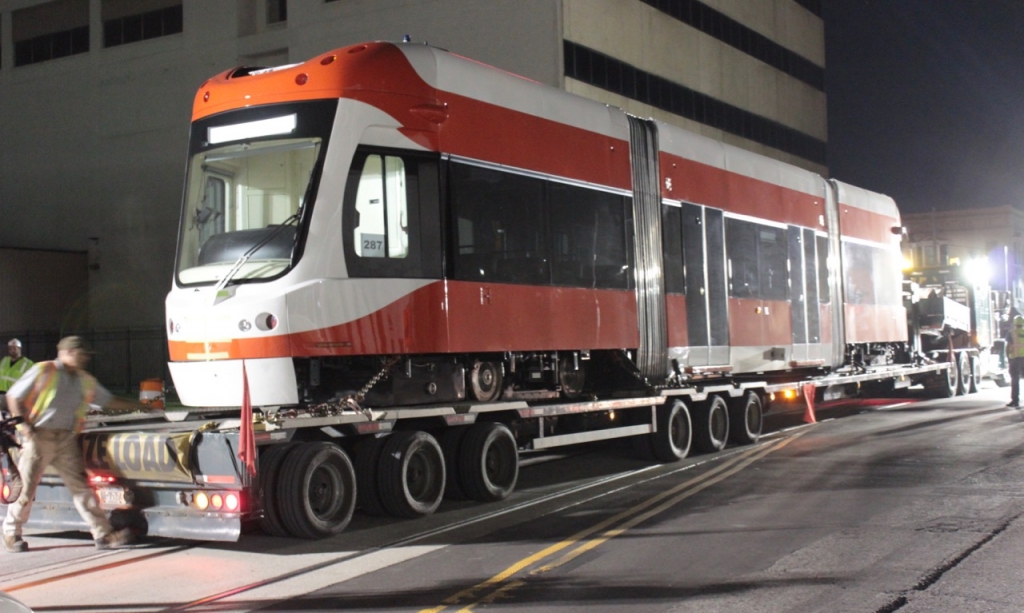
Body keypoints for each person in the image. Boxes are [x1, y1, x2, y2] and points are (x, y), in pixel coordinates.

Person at [2, 336, 158, 553]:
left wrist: (141, 406)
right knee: (27, 488)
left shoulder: (84, 380)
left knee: (82, 488)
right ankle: (11, 532)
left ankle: (103, 534)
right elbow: (13, 396)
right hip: (40, 436)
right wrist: (24, 427)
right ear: (67, 352)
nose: (85, 358)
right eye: (81, 354)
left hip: (66, 438)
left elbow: (108, 401)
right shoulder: (44, 370)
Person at [0, 339, 34, 414]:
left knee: (15, 418)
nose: (12, 350)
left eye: (15, 348)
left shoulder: (28, 364)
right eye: (10, 348)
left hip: (16, 396)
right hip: (1, 395)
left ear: (19, 349)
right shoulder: (4, 361)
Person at [1005, 308, 1024, 408]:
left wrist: (1007, 357)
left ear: (1014, 323)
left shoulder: (1011, 333)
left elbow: (1007, 347)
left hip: (1015, 359)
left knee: (1015, 380)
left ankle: (1015, 401)